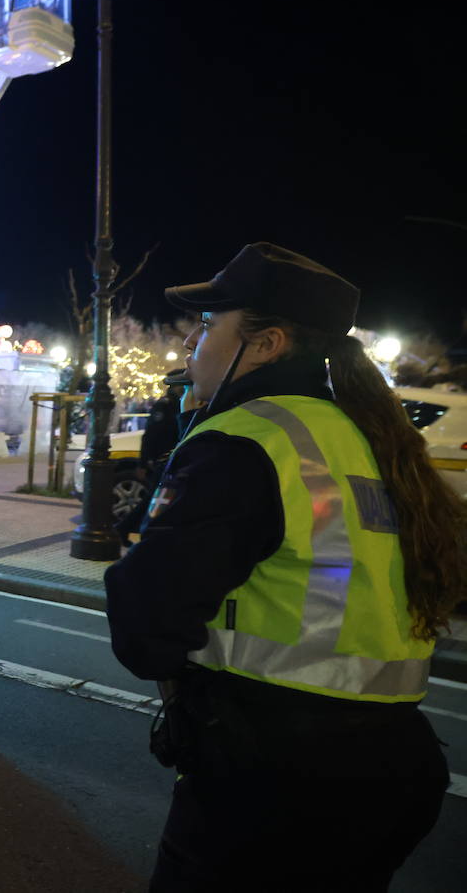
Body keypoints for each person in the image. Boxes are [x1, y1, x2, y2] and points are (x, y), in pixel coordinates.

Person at [104, 242, 467, 892]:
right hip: (393, 768)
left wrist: (196, 707)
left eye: (210, 326)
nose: (193, 346)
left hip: (275, 784)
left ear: (267, 344)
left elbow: (145, 616)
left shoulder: (248, 439)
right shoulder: (362, 434)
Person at [115, 370, 186, 544]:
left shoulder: (179, 404)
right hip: (162, 461)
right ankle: (125, 529)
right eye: (182, 385)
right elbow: (151, 435)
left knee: (154, 500)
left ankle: (126, 530)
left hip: (170, 460)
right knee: (153, 501)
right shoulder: (166, 405)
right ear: (175, 386)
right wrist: (143, 462)